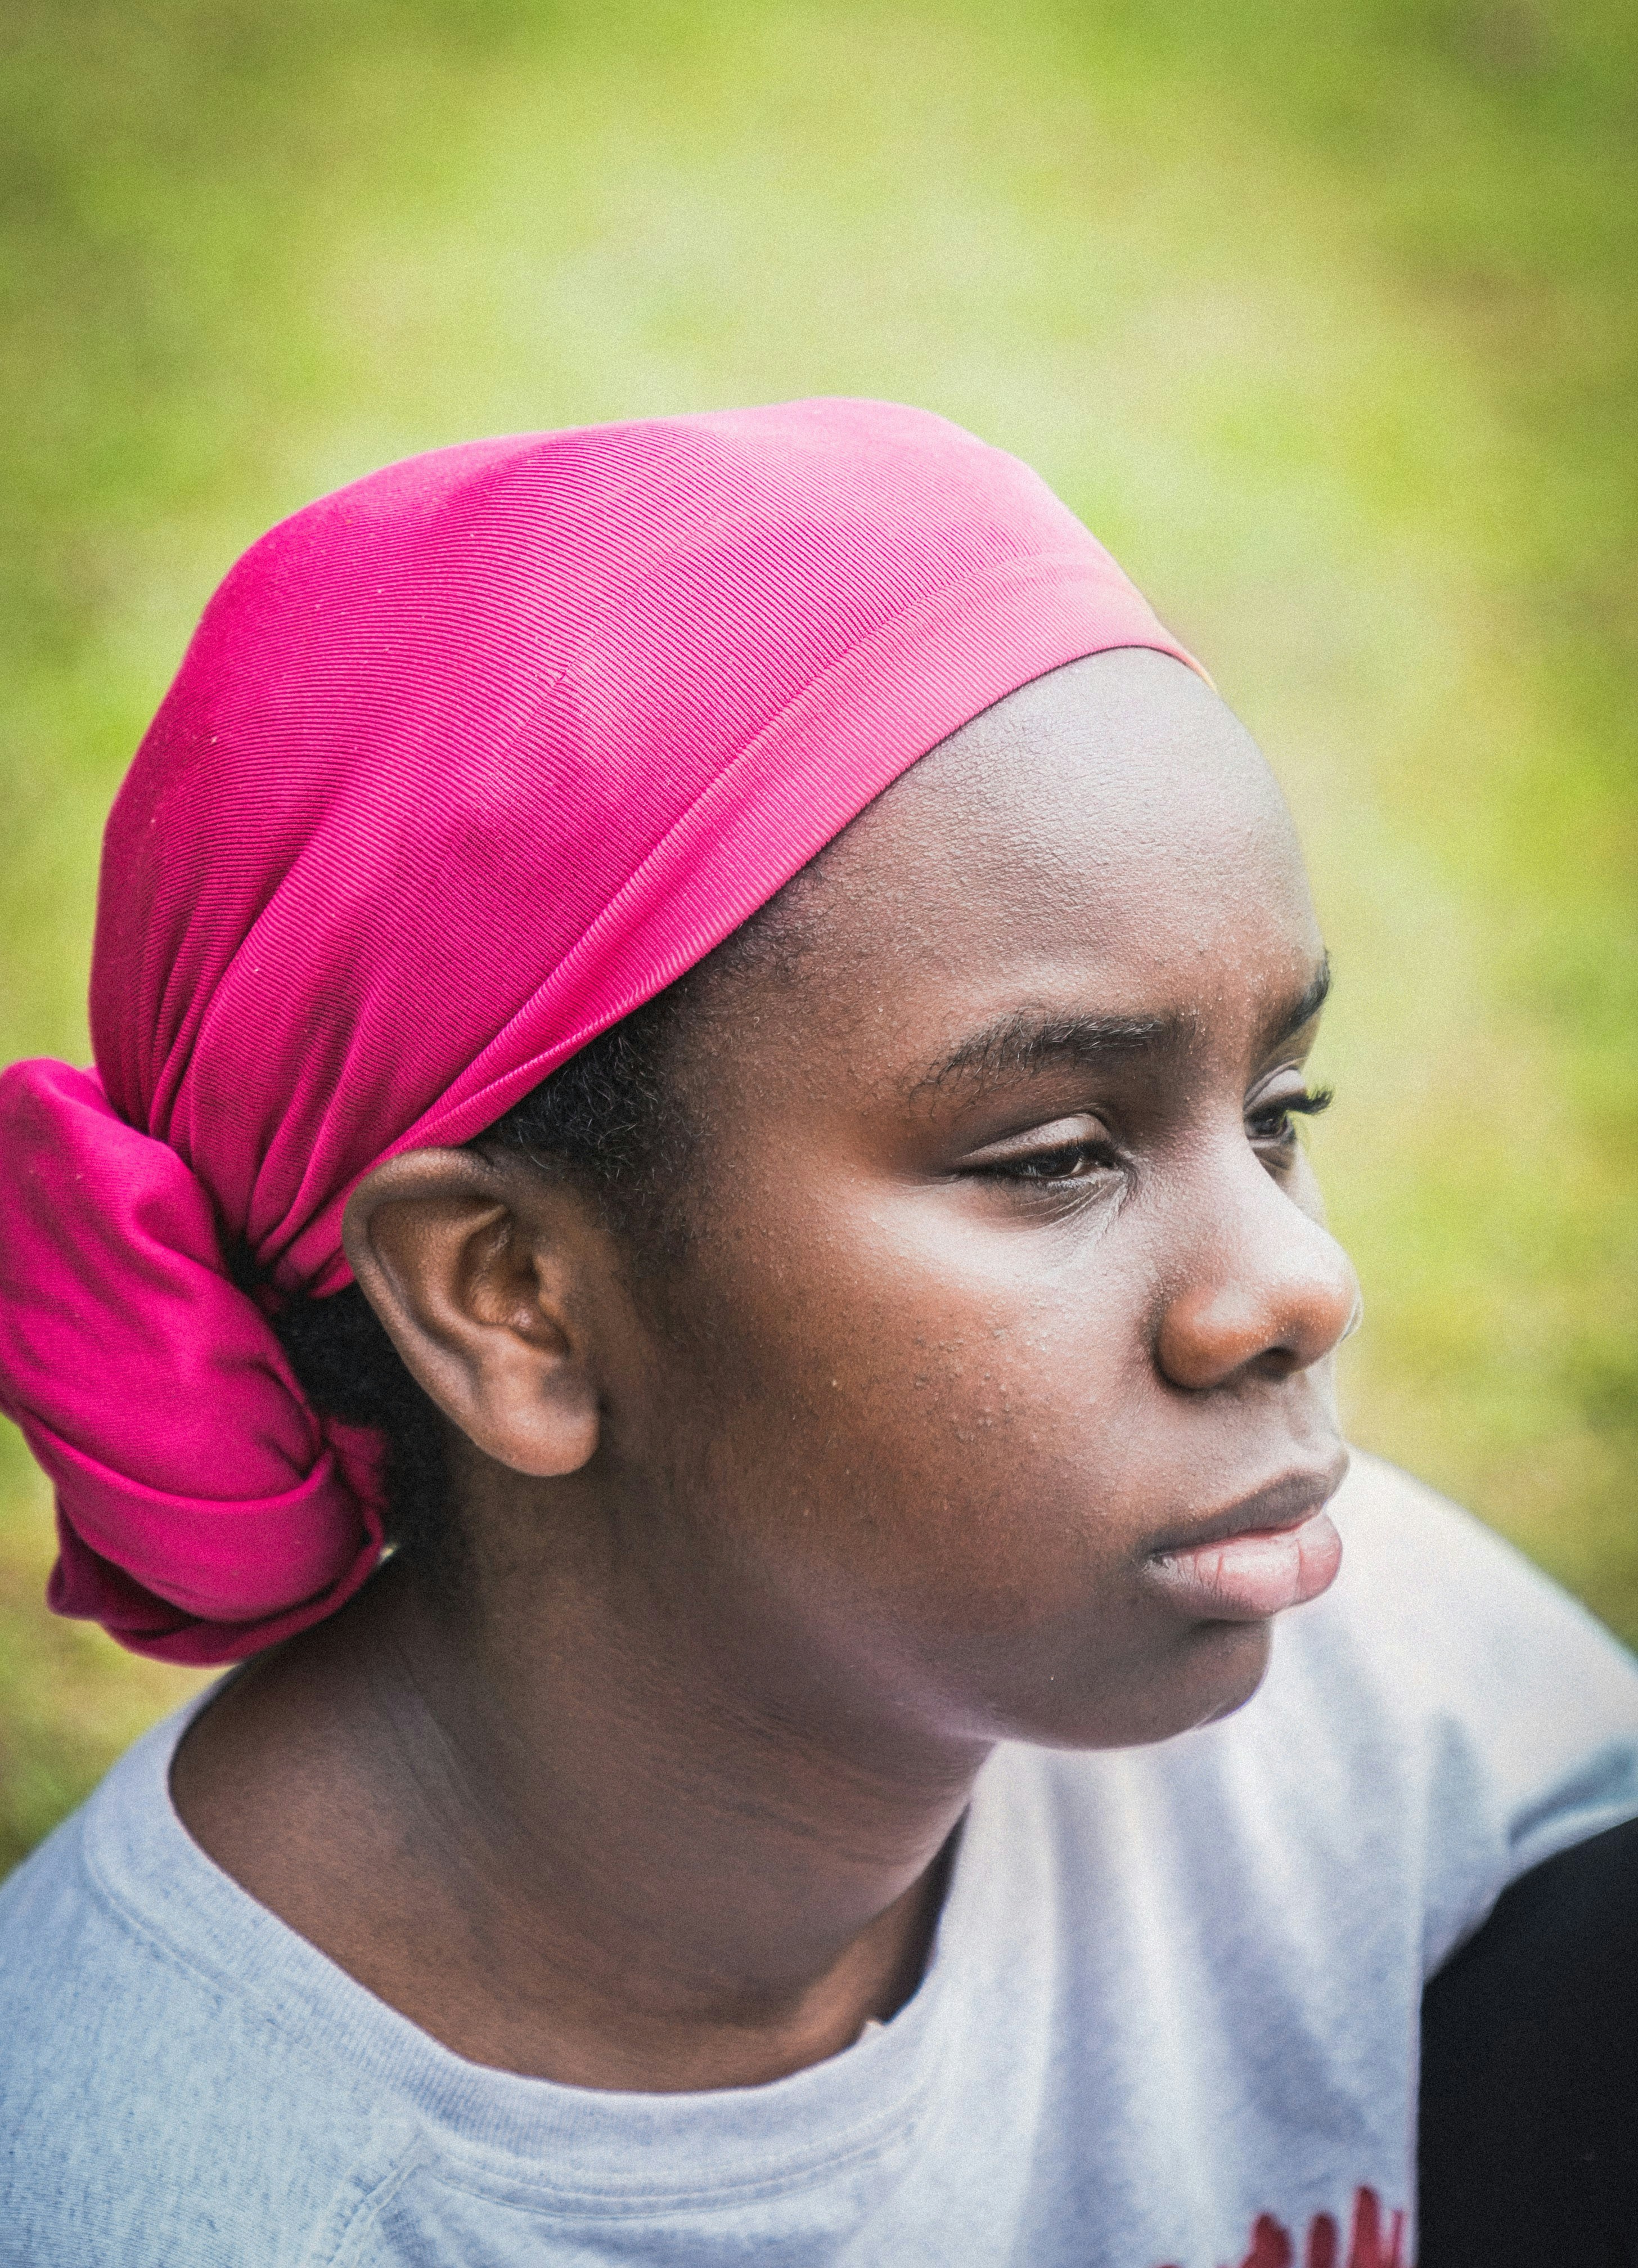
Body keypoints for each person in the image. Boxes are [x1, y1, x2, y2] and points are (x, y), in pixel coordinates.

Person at [0, 399, 1632, 2268]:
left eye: (1278, 1115)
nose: (1294, 1285)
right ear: (511, 1299)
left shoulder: (1390, 1712)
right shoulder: (152, 2201)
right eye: (1054, 1158)